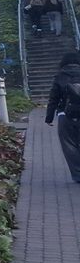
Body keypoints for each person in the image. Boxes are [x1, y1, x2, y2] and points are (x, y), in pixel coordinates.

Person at [45, 52, 80, 183]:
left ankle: (78, 174)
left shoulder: (60, 76)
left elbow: (53, 98)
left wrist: (49, 118)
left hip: (65, 115)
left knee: (69, 145)